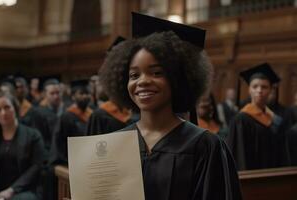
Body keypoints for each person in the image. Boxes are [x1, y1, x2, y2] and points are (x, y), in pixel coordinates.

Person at [98, 12, 241, 200]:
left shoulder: (205, 146)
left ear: (178, 79)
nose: (142, 82)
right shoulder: (115, 143)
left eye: (156, 72)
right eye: (134, 75)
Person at [226, 63, 290, 170]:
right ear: (249, 90)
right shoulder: (241, 120)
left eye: (264, 87)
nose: (259, 90)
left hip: (273, 177)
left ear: (270, 90)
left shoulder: (274, 120)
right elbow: (239, 156)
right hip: (251, 179)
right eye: (255, 86)